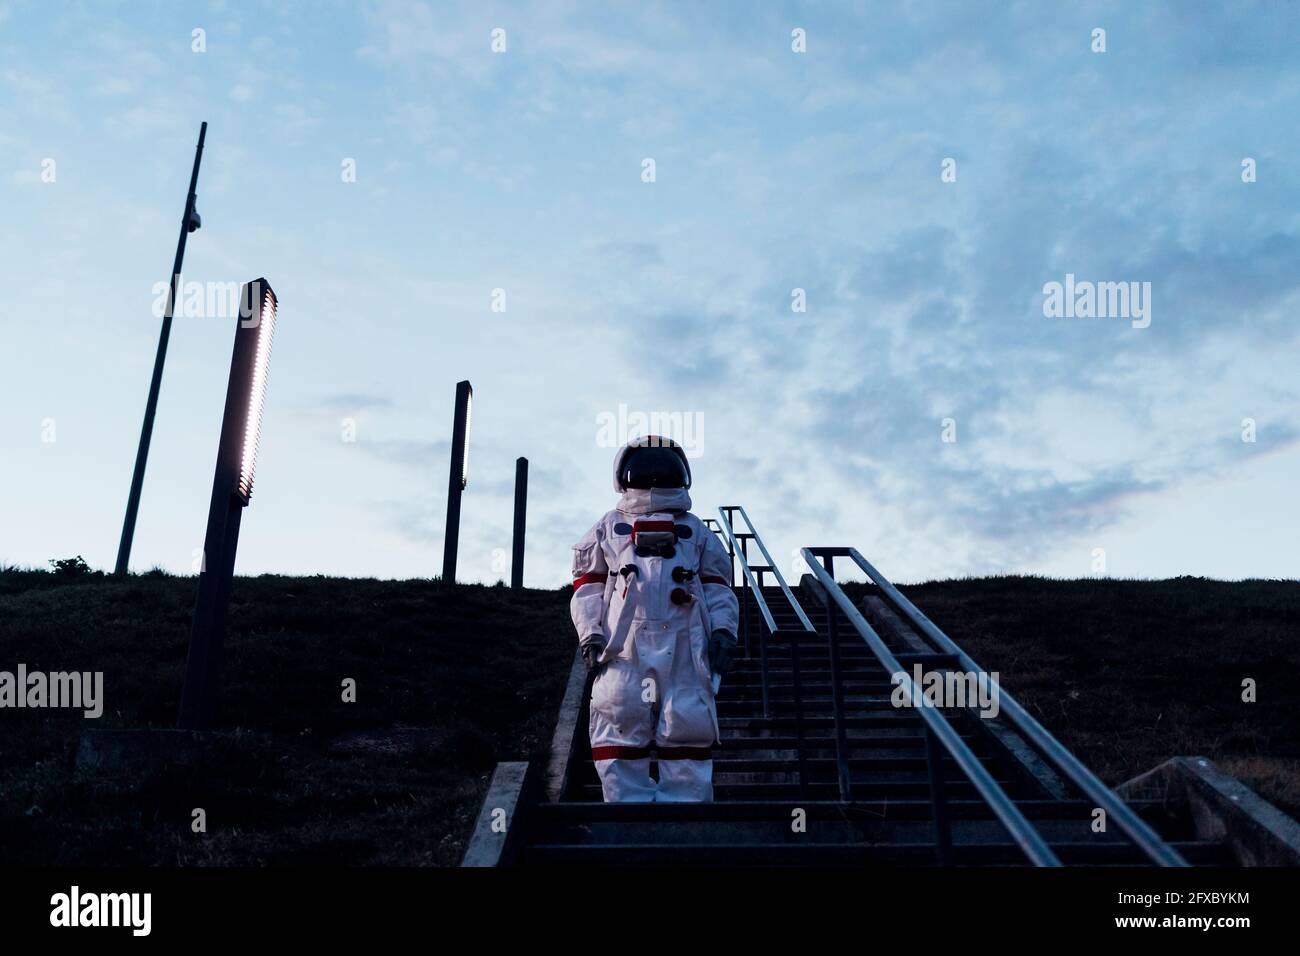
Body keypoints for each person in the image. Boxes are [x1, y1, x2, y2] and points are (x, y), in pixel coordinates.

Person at [569, 436, 740, 802]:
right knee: (620, 715)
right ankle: (627, 812)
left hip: (685, 637)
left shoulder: (693, 529)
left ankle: (685, 816)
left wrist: (725, 631)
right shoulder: (610, 526)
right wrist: (591, 634)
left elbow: (716, 586)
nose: (656, 472)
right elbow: (588, 588)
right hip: (624, 641)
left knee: (687, 723)